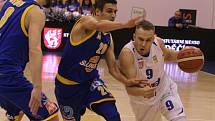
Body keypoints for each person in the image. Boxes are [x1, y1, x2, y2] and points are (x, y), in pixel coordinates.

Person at [54, 0, 143, 120]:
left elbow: (113, 69)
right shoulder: (85, 22)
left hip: (90, 83)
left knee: (113, 115)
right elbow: (97, 25)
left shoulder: (108, 38)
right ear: (97, 11)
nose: (113, 15)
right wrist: (125, 25)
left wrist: (127, 81)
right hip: (67, 87)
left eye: (115, 12)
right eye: (109, 11)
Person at [0, 0, 59, 121]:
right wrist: (37, 87)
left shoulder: (8, 3)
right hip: (6, 75)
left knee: (16, 110)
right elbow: (35, 51)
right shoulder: (35, 12)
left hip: (6, 75)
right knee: (50, 115)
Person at [119, 20, 187, 121]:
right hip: (143, 100)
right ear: (134, 37)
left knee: (179, 119)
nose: (143, 44)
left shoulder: (158, 43)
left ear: (153, 38)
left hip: (164, 89)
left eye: (148, 40)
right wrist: (142, 91)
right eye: (140, 39)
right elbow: (130, 88)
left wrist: (185, 55)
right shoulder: (127, 54)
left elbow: (168, 55)